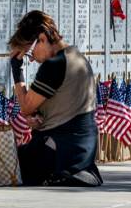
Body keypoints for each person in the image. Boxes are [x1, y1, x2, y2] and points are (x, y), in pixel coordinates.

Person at [7, 10, 103, 187]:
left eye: (30, 53)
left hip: (60, 149)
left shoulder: (54, 65)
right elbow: (62, 106)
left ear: (42, 39)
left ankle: (61, 173)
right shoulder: (76, 56)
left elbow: (26, 107)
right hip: (82, 150)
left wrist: (16, 69)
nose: (32, 60)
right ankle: (77, 172)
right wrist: (38, 117)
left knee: (8, 163)